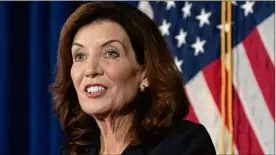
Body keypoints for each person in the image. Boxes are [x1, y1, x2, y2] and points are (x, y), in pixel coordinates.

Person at [51, 2, 216, 155]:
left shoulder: (182, 144)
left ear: (145, 73)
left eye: (110, 53)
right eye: (80, 56)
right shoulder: (76, 151)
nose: (90, 70)